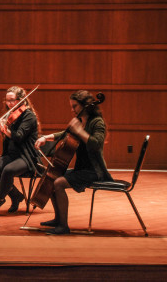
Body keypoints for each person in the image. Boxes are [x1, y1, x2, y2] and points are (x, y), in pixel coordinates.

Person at [34, 90, 113, 235]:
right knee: (52, 177)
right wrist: (46, 137)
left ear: (85, 106)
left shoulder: (97, 122)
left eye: (75, 106)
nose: (72, 110)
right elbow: (64, 134)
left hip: (95, 171)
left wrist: (79, 130)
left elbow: (96, 144)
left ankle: (64, 226)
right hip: (82, 169)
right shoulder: (81, 122)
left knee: (58, 183)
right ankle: (58, 219)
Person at [0, 86, 41, 216]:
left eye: (12, 100)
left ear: (21, 100)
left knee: (8, 170)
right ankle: (16, 195)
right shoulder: (10, 114)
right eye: (7, 101)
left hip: (26, 157)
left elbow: (19, 136)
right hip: (12, 156)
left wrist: (5, 130)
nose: (9, 104)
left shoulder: (29, 116)